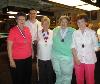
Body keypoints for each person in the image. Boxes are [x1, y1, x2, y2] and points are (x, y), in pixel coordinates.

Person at [7, 12, 33, 84]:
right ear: (16, 20)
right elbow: (9, 47)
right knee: (18, 79)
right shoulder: (13, 31)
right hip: (18, 60)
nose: (22, 21)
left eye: (23, 19)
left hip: (28, 58)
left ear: (25, 20)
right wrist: (11, 60)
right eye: (20, 19)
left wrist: (32, 52)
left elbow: (30, 42)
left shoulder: (27, 29)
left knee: (28, 77)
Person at [72, 13, 98, 84]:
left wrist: (91, 49)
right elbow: (73, 46)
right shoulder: (75, 33)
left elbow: (96, 47)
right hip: (78, 59)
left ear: (86, 22)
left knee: (90, 80)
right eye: (78, 22)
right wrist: (76, 59)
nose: (80, 24)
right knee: (79, 79)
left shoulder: (92, 33)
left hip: (90, 60)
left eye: (82, 22)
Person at [52, 15, 75, 84]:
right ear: (59, 22)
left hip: (67, 57)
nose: (63, 23)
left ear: (68, 23)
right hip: (55, 57)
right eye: (62, 21)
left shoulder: (73, 31)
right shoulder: (55, 30)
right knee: (58, 74)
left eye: (65, 22)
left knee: (66, 76)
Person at [36, 16, 54, 84]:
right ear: (42, 24)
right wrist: (36, 41)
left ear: (49, 24)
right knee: (42, 76)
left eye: (47, 23)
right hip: (41, 58)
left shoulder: (52, 32)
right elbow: (35, 43)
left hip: (50, 58)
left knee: (49, 75)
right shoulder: (38, 32)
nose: (45, 25)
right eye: (44, 23)